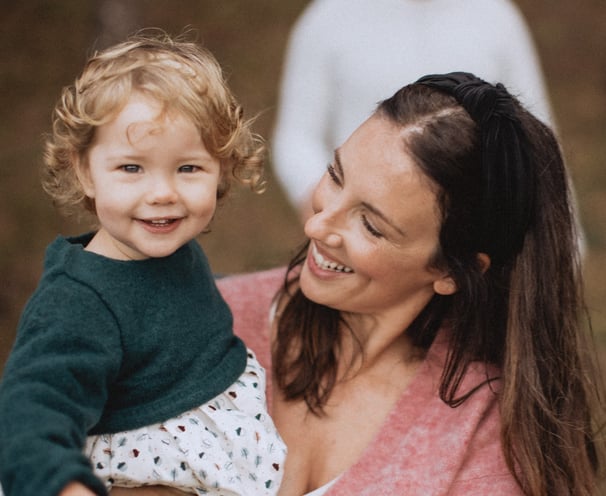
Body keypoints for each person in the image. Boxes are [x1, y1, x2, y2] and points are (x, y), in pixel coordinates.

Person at [116, 72, 604, 495]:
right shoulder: (194, 317)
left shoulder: (485, 441)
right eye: (335, 176)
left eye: (371, 225)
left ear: (451, 272)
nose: (317, 227)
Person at [0, 31, 286, 496]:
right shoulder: (78, 303)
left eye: (188, 168)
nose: (163, 193)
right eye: (132, 168)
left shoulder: (167, 245)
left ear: (221, 169)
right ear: (83, 171)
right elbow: (32, 409)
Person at [272, 0, 555, 218]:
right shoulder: (329, 17)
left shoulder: (495, 16)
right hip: (365, 220)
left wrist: (564, 242)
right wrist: (329, 205)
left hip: (474, 225)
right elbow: (297, 136)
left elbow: (535, 130)